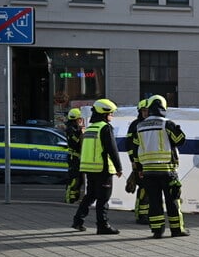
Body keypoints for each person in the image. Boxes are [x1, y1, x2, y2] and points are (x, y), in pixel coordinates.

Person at [131, 95, 189, 238]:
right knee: (173, 201)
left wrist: (138, 169)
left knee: (154, 202)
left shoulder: (139, 126)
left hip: (148, 171)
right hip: (167, 170)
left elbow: (135, 146)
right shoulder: (166, 123)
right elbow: (180, 140)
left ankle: (157, 230)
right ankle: (176, 230)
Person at [72, 99, 123, 235]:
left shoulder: (90, 128)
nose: (112, 116)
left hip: (90, 169)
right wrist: (119, 168)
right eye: (111, 113)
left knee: (90, 196)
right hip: (103, 169)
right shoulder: (105, 128)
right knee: (103, 199)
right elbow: (112, 149)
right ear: (104, 113)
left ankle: (77, 221)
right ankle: (103, 225)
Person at [125, 98, 149, 224]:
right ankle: (141, 214)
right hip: (139, 161)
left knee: (149, 189)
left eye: (147, 110)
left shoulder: (152, 123)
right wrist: (133, 161)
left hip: (150, 161)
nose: (145, 113)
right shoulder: (135, 124)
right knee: (143, 188)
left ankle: (146, 213)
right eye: (143, 111)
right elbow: (129, 144)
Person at [63, 108, 84, 204]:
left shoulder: (75, 128)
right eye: (80, 118)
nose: (81, 120)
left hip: (78, 157)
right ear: (75, 119)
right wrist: (80, 132)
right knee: (74, 179)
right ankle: (69, 198)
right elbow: (74, 142)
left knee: (79, 179)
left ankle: (75, 197)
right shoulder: (71, 129)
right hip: (73, 157)